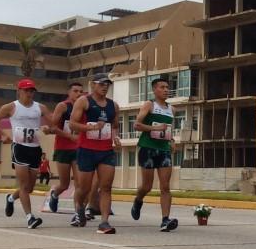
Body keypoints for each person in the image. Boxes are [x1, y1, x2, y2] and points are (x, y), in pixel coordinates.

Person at [0, 79, 55, 229]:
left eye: (32, 91)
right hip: (19, 147)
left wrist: (48, 128)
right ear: (19, 91)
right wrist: (3, 135)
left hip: (35, 149)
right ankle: (30, 218)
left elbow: (53, 122)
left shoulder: (40, 108)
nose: (29, 93)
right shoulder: (11, 107)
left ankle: (11, 198)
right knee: (25, 186)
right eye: (26, 90)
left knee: (30, 188)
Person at [69, 73, 121, 234]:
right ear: (93, 85)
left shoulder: (114, 105)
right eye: (101, 84)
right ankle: (79, 208)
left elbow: (114, 125)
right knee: (84, 188)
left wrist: (116, 137)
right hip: (86, 150)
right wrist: (90, 128)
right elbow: (72, 124)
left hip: (106, 151)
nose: (105, 87)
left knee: (106, 187)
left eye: (107, 84)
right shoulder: (84, 101)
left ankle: (104, 222)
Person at [131, 76, 179, 232]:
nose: (166, 90)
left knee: (165, 186)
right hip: (147, 148)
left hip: (164, 150)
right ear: (154, 89)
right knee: (147, 186)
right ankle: (138, 200)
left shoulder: (172, 109)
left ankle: (165, 220)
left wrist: (172, 140)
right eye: (162, 87)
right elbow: (137, 125)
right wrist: (154, 129)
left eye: (167, 87)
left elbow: (168, 129)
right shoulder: (149, 105)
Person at [46, 80, 84, 214]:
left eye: (80, 91)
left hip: (78, 148)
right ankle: (54, 195)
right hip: (62, 148)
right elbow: (53, 127)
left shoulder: (84, 107)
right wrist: (69, 136)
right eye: (75, 91)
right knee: (64, 184)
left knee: (80, 183)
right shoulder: (63, 106)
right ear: (69, 92)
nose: (78, 94)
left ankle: (78, 212)